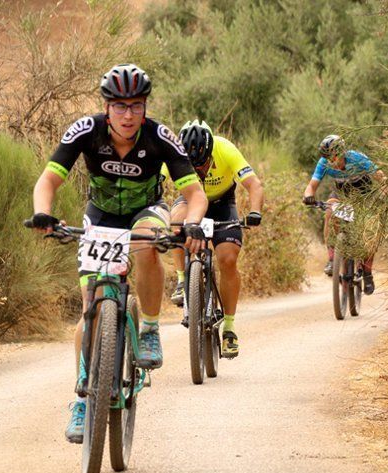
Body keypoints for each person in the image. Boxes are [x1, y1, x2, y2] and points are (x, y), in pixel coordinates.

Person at [29, 63, 208, 443]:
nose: (129, 115)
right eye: (120, 106)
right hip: (101, 216)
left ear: (145, 107)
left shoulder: (160, 136)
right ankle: (82, 395)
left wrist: (191, 222)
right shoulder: (85, 131)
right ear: (106, 107)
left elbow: (195, 194)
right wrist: (42, 212)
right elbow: (48, 180)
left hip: (147, 210)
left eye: (137, 106)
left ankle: (150, 329)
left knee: (145, 242)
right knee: (90, 306)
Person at [165, 120, 264, 359]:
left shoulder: (225, 149)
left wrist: (255, 212)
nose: (199, 170)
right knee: (176, 221)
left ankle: (229, 328)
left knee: (228, 259)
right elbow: (154, 182)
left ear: (211, 152)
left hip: (222, 205)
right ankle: (182, 280)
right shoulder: (174, 152)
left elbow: (254, 184)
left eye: (203, 163)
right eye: (192, 166)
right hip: (190, 200)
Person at [302, 134, 384, 295]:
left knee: (369, 231)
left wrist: (382, 193)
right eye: (328, 157)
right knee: (329, 213)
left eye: (334, 156)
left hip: (363, 195)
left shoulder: (357, 159)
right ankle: (332, 259)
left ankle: (367, 273)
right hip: (341, 193)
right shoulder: (324, 163)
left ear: (343, 152)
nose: (332, 161)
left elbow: (381, 177)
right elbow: (311, 185)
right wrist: (308, 196)